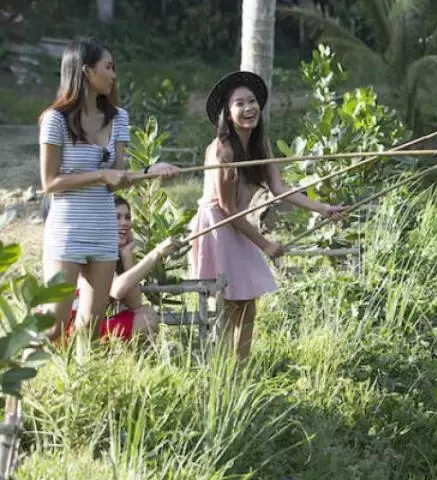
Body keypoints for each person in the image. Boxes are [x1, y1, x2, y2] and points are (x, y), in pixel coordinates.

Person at [188, 71, 344, 362]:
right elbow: (226, 208)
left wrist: (322, 208)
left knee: (249, 304)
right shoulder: (223, 150)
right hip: (219, 226)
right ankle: (220, 373)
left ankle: (242, 369)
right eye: (239, 103)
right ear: (227, 111)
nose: (248, 108)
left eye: (252, 101)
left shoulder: (261, 144)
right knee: (229, 304)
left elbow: (279, 189)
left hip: (239, 223)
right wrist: (266, 245)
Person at [37, 37, 180, 341]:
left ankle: (80, 387)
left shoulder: (119, 119)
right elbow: (49, 183)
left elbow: (120, 175)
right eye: (108, 67)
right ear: (86, 70)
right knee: (53, 327)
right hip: (68, 229)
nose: (114, 75)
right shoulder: (55, 120)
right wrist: (100, 174)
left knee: (89, 329)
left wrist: (149, 173)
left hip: (102, 229)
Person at [59, 196, 184, 343]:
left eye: (127, 217)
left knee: (147, 313)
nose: (124, 223)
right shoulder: (95, 249)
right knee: (145, 321)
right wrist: (156, 254)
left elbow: (134, 302)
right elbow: (116, 290)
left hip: (87, 327)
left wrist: (127, 256)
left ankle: (130, 362)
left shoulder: (115, 253)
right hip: (68, 331)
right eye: (116, 217)